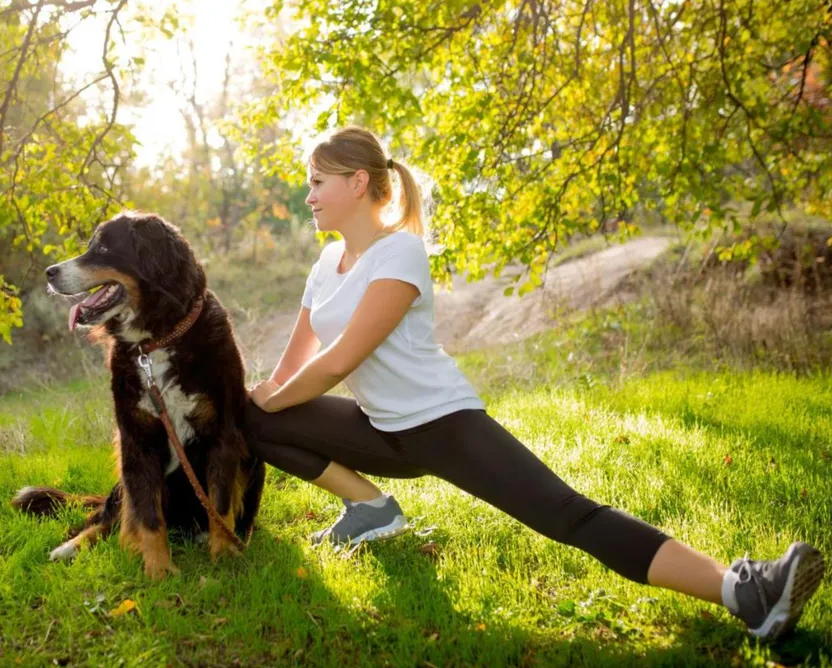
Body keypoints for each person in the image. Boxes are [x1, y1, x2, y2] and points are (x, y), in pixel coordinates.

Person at [243, 126, 825, 640]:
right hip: (379, 429)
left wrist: (271, 396)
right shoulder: (324, 266)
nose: (309, 195)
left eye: (318, 182)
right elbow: (295, 365)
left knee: (568, 515)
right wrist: (257, 397)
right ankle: (369, 507)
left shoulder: (400, 251)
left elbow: (341, 359)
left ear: (358, 181)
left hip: (444, 425)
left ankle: (744, 590)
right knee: (247, 415)